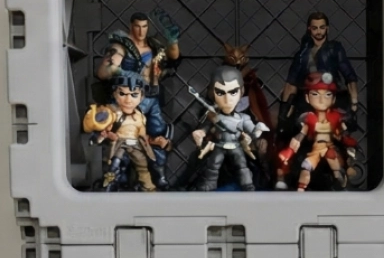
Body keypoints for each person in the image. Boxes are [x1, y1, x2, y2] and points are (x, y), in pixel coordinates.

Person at [95, 12, 179, 188]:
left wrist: (172, 40)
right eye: (137, 26)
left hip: (151, 97)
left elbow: (173, 57)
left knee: (157, 134)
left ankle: (158, 175)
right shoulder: (121, 46)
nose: (141, 31)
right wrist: (119, 71)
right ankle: (119, 178)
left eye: (144, 27)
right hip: (128, 98)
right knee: (125, 137)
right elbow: (102, 73)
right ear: (130, 26)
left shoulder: (154, 45)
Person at [187, 66, 269, 192]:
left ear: (241, 92)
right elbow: (207, 128)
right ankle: (209, 185)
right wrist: (201, 133)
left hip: (236, 146)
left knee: (242, 167)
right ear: (212, 93)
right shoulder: (214, 116)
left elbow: (253, 131)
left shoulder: (243, 118)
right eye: (220, 93)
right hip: (219, 146)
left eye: (233, 92)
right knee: (212, 166)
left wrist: (256, 135)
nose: (227, 100)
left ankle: (248, 185)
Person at [81, 82, 157, 191]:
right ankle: (107, 187)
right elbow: (98, 123)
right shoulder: (112, 112)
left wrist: (147, 141)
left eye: (134, 95)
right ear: (115, 94)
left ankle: (148, 187)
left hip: (135, 144)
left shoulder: (140, 116)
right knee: (113, 166)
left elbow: (142, 133)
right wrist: (104, 134)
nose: (128, 100)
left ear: (141, 97)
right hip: (118, 143)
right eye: (122, 94)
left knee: (142, 166)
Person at [283, 12, 360, 110]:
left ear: (327, 28)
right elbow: (291, 83)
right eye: (315, 28)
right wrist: (284, 110)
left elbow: (349, 75)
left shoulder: (335, 49)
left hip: (331, 100)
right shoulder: (302, 54)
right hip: (307, 102)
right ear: (309, 29)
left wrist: (354, 101)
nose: (319, 31)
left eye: (322, 27)